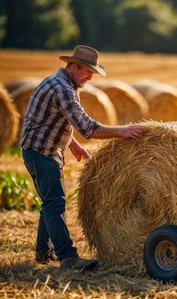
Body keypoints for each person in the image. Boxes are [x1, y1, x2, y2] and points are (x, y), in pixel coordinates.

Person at [21, 45, 146, 271]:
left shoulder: (58, 83)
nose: (91, 77)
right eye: (88, 71)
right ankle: (68, 258)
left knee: (49, 202)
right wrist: (122, 131)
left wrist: (73, 144)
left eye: (93, 72)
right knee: (54, 203)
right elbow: (87, 128)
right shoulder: (63, 89)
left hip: (39, 149)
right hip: (41, 153)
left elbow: (53, 121)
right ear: (74, 66)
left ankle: (43, 252)